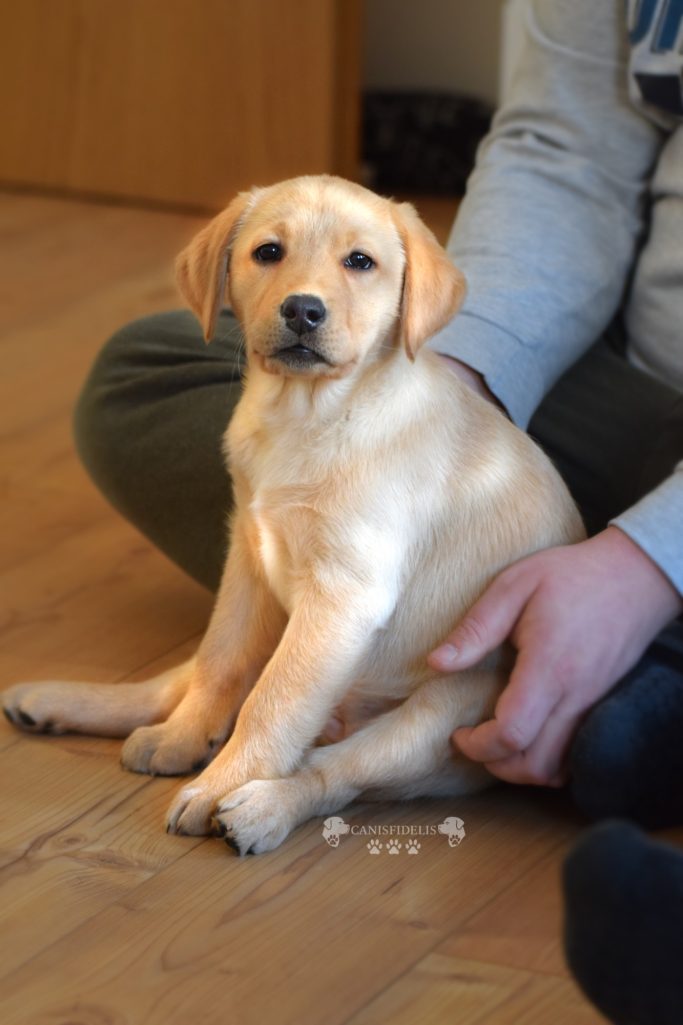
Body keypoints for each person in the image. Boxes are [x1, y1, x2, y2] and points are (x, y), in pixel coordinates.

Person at [72, 1, 682, 1021]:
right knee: (144, 374)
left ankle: (600, 684)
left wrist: (647, 558)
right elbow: (562, 152)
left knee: (613, 739)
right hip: (630, 389)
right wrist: (454, 388)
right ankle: (550, 658)